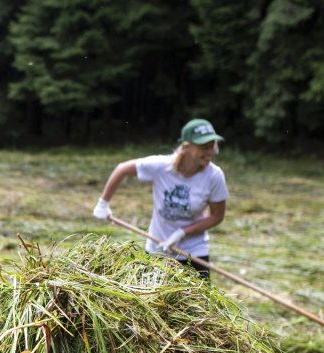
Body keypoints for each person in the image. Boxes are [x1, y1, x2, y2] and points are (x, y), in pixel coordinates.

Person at [93, 118, 228, 279]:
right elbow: (122, 169)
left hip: (193, 251)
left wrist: (182, 233)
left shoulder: (214, 176)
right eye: (204, 147)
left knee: (201, 303)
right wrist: (103, 203)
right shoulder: (162, 166)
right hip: (158, 248)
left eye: (212, 146)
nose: (209, 152)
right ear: (186, 147)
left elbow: (217, 216)